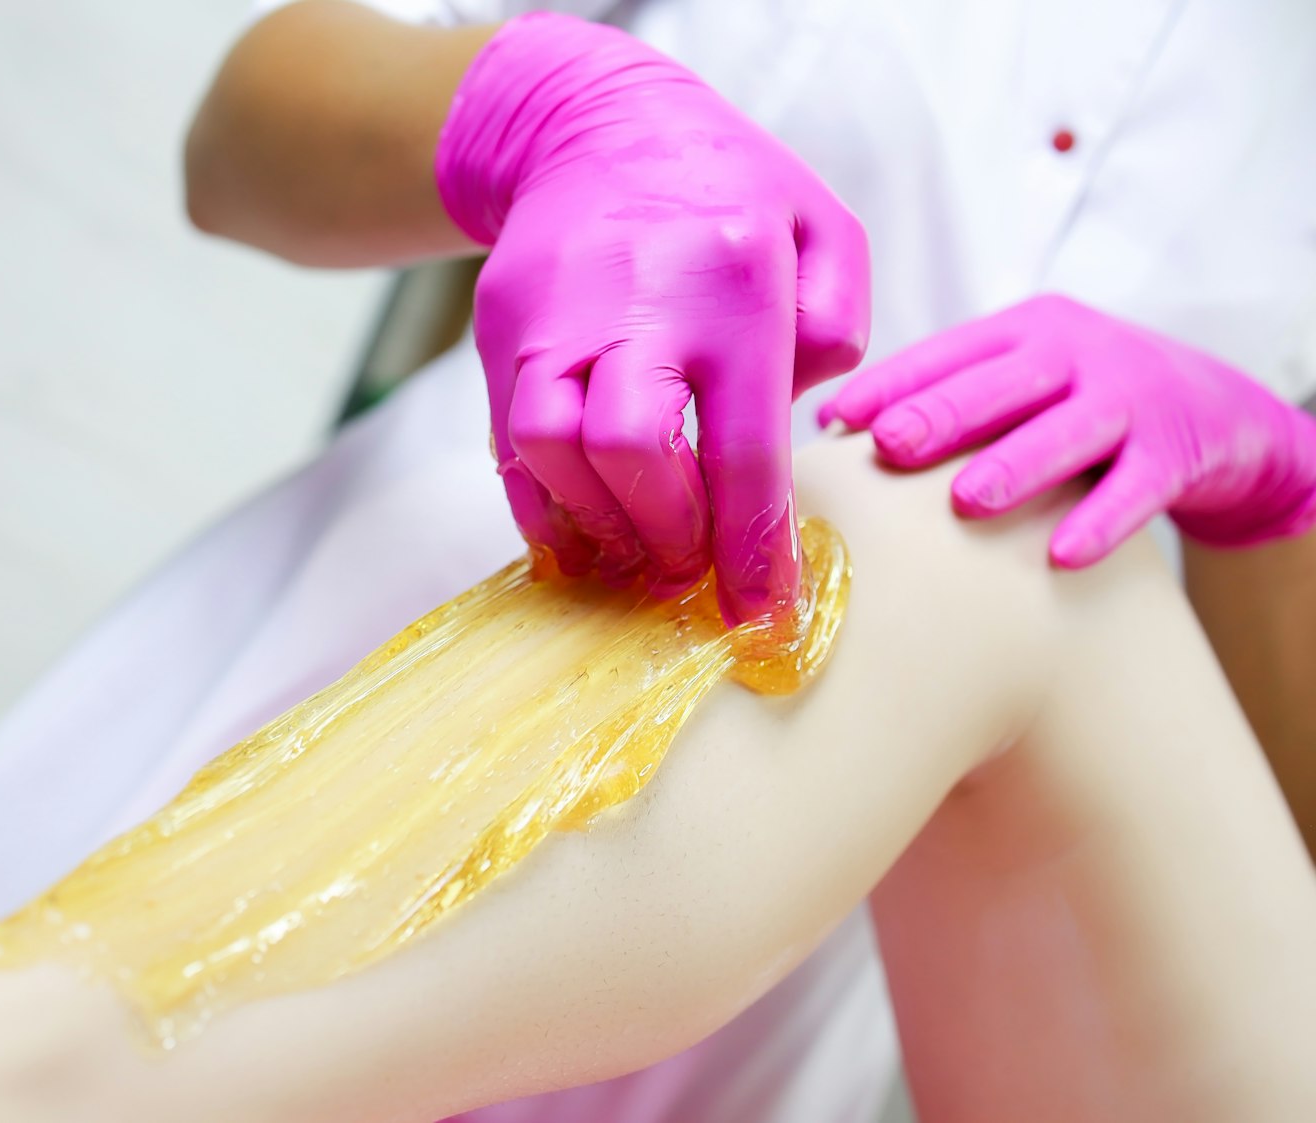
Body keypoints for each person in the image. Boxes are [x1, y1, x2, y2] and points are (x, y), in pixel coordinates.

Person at [0, 433, 1316, 1121]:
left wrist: (1273, 500)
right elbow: (270, 122)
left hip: (887, 910)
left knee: (990, 535)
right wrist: (535, 117)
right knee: (957, 527)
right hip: (514, 611)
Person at [184, 0, 1316, 845]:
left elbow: (1283, 837)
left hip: (833, 901)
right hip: (403, 652)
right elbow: (231, 147)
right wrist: (536, 111)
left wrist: (1274, 503)